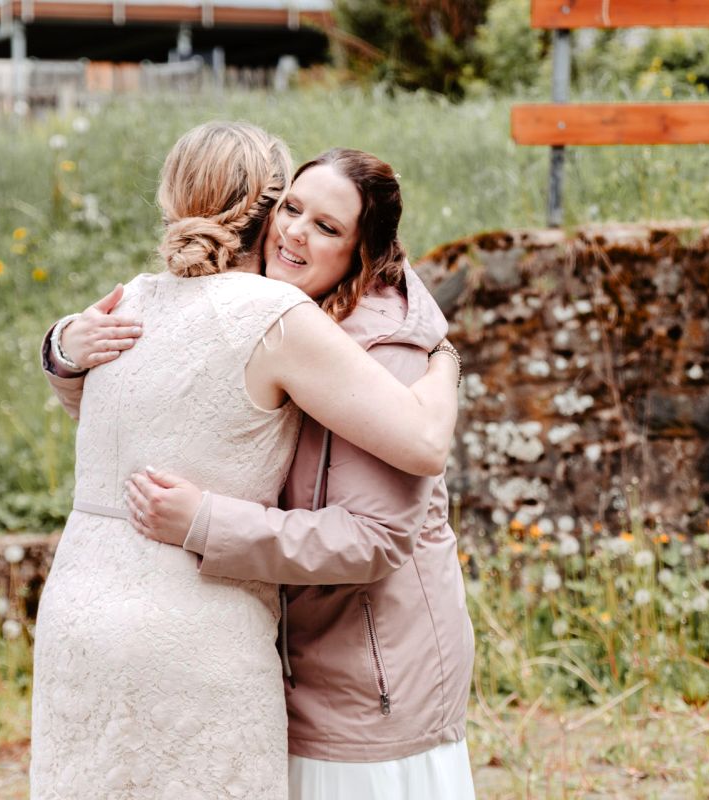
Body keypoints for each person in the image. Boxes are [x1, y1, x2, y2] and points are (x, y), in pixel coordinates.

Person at [30, 124, 461, 800]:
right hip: (194, 627)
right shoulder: (276, 314)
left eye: (324, 224)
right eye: (291, 208)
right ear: (267, 207)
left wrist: (60, 349)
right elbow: (426, 442)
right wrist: (447, 359)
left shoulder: (128, 301)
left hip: (73, 618)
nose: (297, 231)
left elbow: (121, 417)